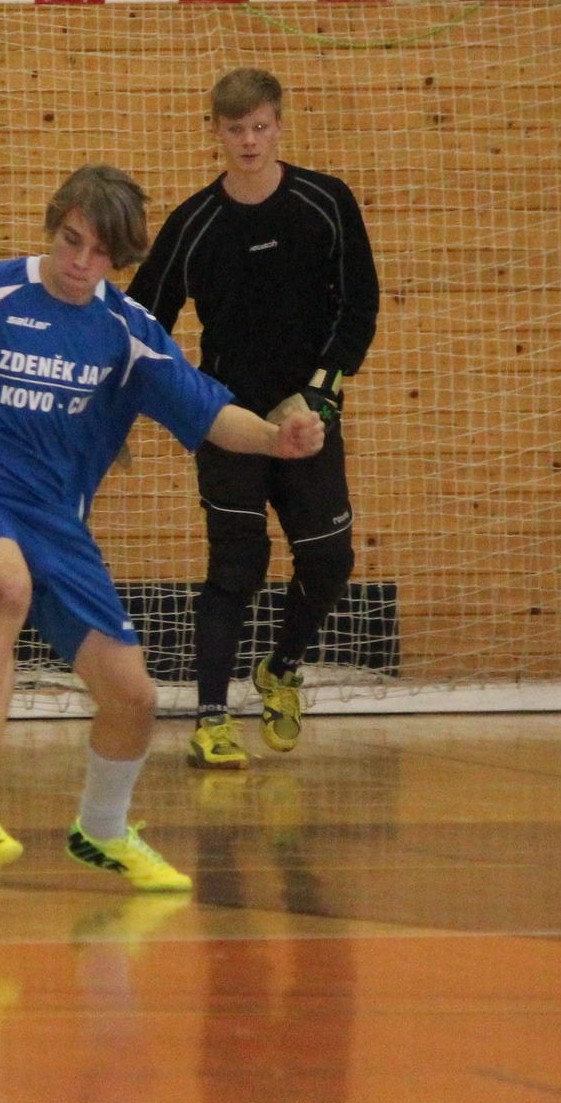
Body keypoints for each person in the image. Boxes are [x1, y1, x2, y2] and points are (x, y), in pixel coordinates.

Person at [0, 164, 326, 893]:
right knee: (7, 587)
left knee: (133, 698)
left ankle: (103, 828)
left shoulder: (127, 332)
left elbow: (212, 414)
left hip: (59, 522)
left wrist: (277, 439)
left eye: (100, 253)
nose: (80, 263)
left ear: (120, 259)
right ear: (53, 226)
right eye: (71, 240)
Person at [127, 67, 380, 770]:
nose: (248, 141)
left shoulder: (325, 201)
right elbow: (143, 321)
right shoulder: (195, 223)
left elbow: (359, 303)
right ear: (215, 131)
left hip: (307, 416)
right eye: (235, 129)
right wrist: (184, 397)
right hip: (228, 419)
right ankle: (211, 718)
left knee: (329, 559)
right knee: (236, 565)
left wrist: (323, 390)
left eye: (260, 127)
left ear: (279, 126)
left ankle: (283, 667)